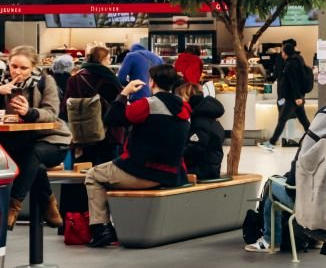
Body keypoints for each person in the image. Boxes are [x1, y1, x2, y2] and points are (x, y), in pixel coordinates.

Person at [84, 64, 191, 248]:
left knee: (93, 175)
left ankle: (101, 229)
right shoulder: (185, 108)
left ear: (152, 82)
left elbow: (112, 119)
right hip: (173, 173)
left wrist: (124, 93)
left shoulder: (147, 105)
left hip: (142, 171)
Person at [0, 47, 71, 229]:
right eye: (13, 66)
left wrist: (29, 112)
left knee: (33, 155)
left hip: (52, 140)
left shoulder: (46, 82)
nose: (17, 71)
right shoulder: (2, 82)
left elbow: (51, 113)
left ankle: (12, 207)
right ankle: (49, 202)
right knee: (34, 166)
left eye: (23, 68)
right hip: (18, 143)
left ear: (33, 67)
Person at [65, 46, 124, 166]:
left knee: (82, 168)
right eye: (108, 59)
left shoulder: (74, 78)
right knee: (105, 170)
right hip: (105, 133)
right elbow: (116, 106)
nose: (109, 62)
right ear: (101, 60)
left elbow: (64, 107)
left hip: (81, 133)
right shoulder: (109, 78)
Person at [262, 40, 311, 150]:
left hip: (291, 98)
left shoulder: (290, 65)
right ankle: (316, 138)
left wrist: (297, 97)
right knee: (304, 120)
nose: (281, 53)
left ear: (285, 52)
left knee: (282, 119)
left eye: (282, 51)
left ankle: (271, 143)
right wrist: (300, 96)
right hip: (297, 97)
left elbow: (293, 82)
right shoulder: (299, 60)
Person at [176, 82, 225, 180]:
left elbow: (194, 149)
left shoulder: (200, 120)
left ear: (187, 97)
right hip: (209, 169)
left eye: (179, 98)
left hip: (201, 172)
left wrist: (175, 155)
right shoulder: (207, 115)